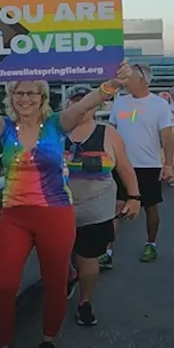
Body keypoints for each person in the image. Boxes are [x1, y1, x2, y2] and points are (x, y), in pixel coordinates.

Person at [0, 63, 128, 348]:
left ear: (43, 97)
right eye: (18, 93)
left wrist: (112, 84)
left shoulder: (56, 125)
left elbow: (85, 104)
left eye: (31, 93)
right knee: (2, 286)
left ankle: (48, 340)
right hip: (15, 215)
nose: (24, 98)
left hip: (55, 214)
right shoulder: (6, 129)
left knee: (55, 283)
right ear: (11, 97)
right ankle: (3, 347)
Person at [62, 86, 141, 326]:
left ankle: (85, 302)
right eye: (75, 102)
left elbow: (125, 167)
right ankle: (69, 276)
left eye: (85, 101)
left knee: (88, 257)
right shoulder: (54, 132)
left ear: (95, 106)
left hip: (96, 207)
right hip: (58, 208)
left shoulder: (108, 133)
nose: (80, 107)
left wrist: (134, 198)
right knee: (60, 256)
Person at [106, 63, 174, 263]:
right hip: (121, 165)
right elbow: (112, 129)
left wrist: (168, 164)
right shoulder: (119, 102)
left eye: (130, 78)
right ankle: (107, 251)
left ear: (142, 80)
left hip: (148, 165)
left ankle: (151, 244)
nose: (125, 82)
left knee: (150, 207)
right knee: (117, 206)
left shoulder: (159, 105)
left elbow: (167, 136)